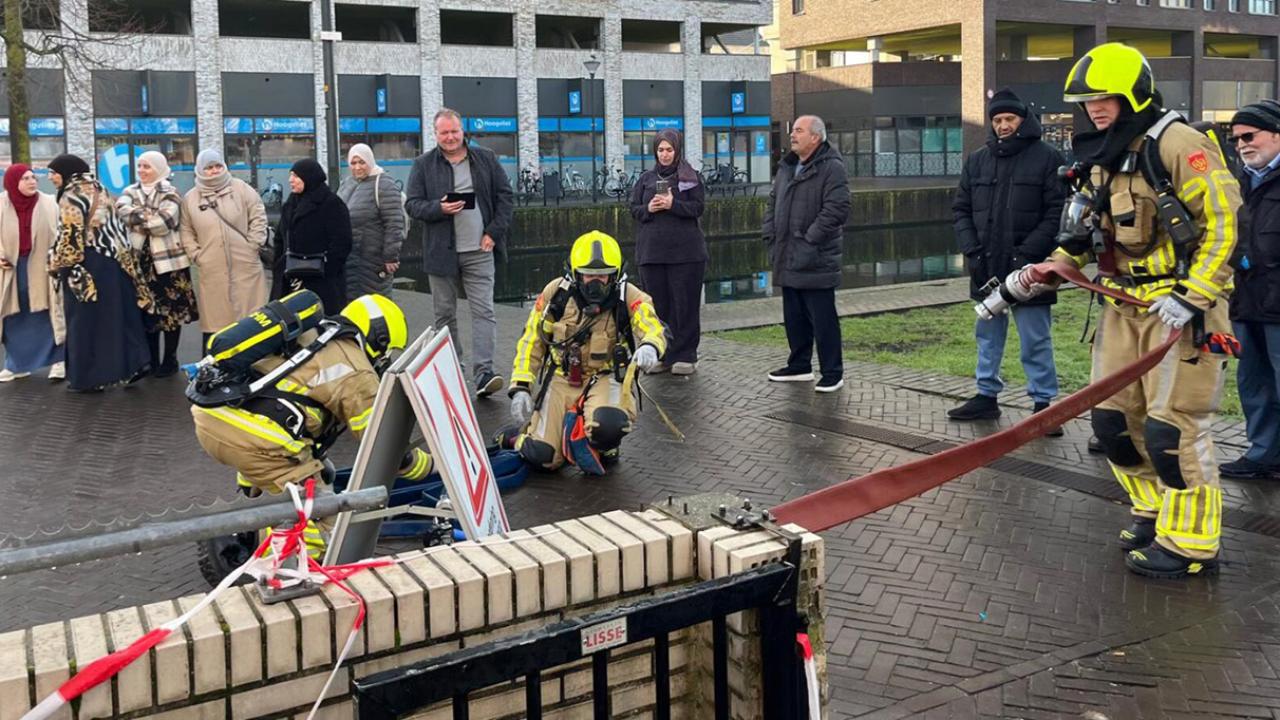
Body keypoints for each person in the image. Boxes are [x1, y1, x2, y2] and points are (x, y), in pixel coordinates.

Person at [1006, 43, 1241, 578]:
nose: (1095, 109)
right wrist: (1047, 268)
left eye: (1105, 99)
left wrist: (1192, 295)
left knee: (1171, 429)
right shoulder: (1101, 152)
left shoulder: (1181, 145)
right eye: (1088, 102)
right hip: (1122, 304)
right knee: (1113, 421)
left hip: (1181, 308)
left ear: (1134, 93)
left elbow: (1226, 225)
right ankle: (1153, 510)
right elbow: (1085, 231)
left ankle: (1190, 543)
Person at [190, 292, 433, 558]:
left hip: (213, 417)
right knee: (324, 522)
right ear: (380, 338)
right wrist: (426, 466)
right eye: (386, 351)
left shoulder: (313, 335)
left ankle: (254, 505)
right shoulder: (357, 368)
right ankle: (285, 573)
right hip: (256, 439)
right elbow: (380, 440)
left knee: (297, 466)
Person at [950, 89, 1066, 434]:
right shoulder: (977, 160)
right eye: (997, 120)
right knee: (987, 336)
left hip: (1031, 270)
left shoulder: (1048, 158)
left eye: (1009, 119)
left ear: (1022, 119)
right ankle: (986, 396)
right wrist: (972, 252)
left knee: (1035, 339)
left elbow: (1056, 213)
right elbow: (961, 209)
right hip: (986, 266)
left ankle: (1044, 405)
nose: (1003, 126)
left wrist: (1027, 256)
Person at [503, 231, 667, 475]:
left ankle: (602, 445)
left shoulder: (628, 295)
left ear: (616, 274)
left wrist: (651, 346)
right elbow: (532, 341)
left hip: (604, 377)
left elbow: (651, 324)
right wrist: (521, 386)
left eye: (603, 275)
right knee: (543, 457)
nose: (595, 282)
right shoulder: (556, 294)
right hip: (561, 377)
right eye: (588, 275)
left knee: (608, 426)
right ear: (575, 273)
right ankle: (513, 438)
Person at [406, 108, 514, 398]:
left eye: (454, 131)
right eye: (444, 133)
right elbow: (412, 205)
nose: (450, 137)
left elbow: (505, 197)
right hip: (441, 252)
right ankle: (453, 369)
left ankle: (484, 373)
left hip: (480, 248)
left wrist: (493, 232)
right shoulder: (423, 165)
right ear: (436, 134)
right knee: (444, 315)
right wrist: (438, 208)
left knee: (484, 312)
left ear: (462, 130)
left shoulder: (486, 158)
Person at [46, 154, 153, 392]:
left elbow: (70, 237)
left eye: (53, 172)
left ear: (66, 172)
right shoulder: (99, 188)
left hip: (85, 264)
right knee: (118, 317)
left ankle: (88, 378)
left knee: (84, 322)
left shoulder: (72, 195)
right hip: (114, 262)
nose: (50, 177)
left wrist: (57, 266)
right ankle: (134, 363)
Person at [762, 114, 850, 393]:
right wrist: (770, 235)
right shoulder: (787, 167)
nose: (792, 135)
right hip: (787, 254)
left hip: (816, 258)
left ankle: (832, 372)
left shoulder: (832, 168)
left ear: (816, 137)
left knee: (822, 318)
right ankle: (800, 366)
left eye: (799, 131)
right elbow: (772, 202)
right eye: (793, 131)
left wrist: (810, 240)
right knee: (794, 316)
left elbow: (837, 209)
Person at [1220, 100, 1280, 480]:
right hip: (1247, 302)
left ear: (1276, 134)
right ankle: (1263, 454)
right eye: (1236, 138)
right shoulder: (1237, 182)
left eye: (1249, 135)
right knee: (1254, 383)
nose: (1242, 144)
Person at [629, 128, 707, 376]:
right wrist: (649, 208)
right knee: (658, 306)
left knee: (684, 305)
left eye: (669, 150)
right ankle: (662, 353)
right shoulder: (646, 179)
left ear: (677, 150)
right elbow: (633, 209)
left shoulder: (690, 177)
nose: (664, 154)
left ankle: (686, 355)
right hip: (652, 253)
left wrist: (674, 205)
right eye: (660, 150)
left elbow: (698, 207)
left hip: (685, 254)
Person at [116, 151, 198, 377]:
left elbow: (165, 222)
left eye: (147, 167)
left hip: (168, 264)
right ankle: (150, 359)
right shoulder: (129, 191)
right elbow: (122, 212)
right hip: (138, 264)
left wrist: (138, 218)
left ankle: (169, 359)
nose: (142, 171)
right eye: (140, 166)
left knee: (170, 313)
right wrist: (149, 217)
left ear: (159, 168)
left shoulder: (171, 192)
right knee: (146, 312)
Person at [180, 149, 268, 349]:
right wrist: (196, 255)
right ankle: (216, 366)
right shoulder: (191, 198)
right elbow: (186, 230)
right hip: (212, 268)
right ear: (200, 170)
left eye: (218, 166)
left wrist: (253, 244)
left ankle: (254, 363)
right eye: (209, 167)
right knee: (216, 322)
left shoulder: (241, 188)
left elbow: (258, 215)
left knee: (251, 318)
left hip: (245, 265)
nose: (214, 171)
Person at [0, 164, 64, 382]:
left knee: (48, 312)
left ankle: (58, 362)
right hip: (11, 268)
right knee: (13, 315)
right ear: (12, 182)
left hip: (42, 266)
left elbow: (59, 233)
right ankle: (17, 364)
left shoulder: (48, 203)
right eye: (25, 178)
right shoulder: (1, 203)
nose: (32, 182)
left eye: (33, 177)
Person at [273, 158, 353, 313]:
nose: (291, 180)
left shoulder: (331, 204)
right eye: (291, 175)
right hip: (290, 281)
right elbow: (279, 239)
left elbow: (342, 243)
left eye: (296, 176)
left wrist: (324, 268)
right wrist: (279, 264)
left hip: (322, 283)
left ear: (309, 177)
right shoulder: (290, 203)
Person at [337, 143, 404, 299]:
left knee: (375, 305)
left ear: (370, 161)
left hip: (373, 261)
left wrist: (390, 256)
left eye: (362, 162)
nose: (357, 167)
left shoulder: (384, 184)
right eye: (353, 163)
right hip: (349, 259)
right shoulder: (347, 184)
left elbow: (394, 223)